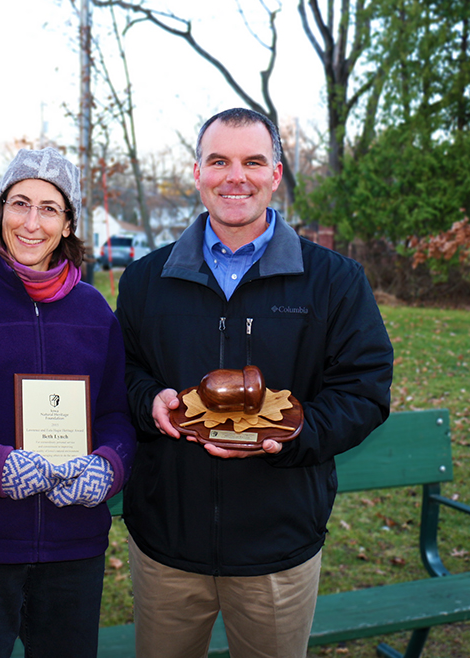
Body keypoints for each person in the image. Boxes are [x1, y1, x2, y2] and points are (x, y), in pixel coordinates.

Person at [115, 108, 394, 658]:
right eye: (218, 161)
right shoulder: (147, 278)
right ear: (197, 173)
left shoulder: (333, 280)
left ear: (276, 173)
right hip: (168, 543)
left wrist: (291, 435)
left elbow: (364, 389)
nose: (234, 176)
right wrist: (150, 400)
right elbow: (121, 372)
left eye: (252, 161)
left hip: (279, 544)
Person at [0, 147, 136, 658]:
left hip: (73, 546)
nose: (32, 222)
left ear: (68, 225)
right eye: (20, 204)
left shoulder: (94, 312)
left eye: (50, 208)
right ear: (0, 214)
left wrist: (110, 467)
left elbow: (116, 414)